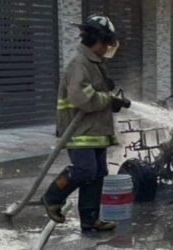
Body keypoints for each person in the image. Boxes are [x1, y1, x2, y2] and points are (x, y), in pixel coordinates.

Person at [41, 15, 130, 232]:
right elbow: (82, 97)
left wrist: (112, 101)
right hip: (78, 131)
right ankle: (52, 198)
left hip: (95, 130)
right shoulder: (79, 64)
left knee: (98, 174)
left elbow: (98, 92)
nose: (107, 47)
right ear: (95, 40)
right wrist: (108, 99)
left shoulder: (94, 63)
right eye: (105, 43)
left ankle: (90, 220)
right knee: (84, 170)